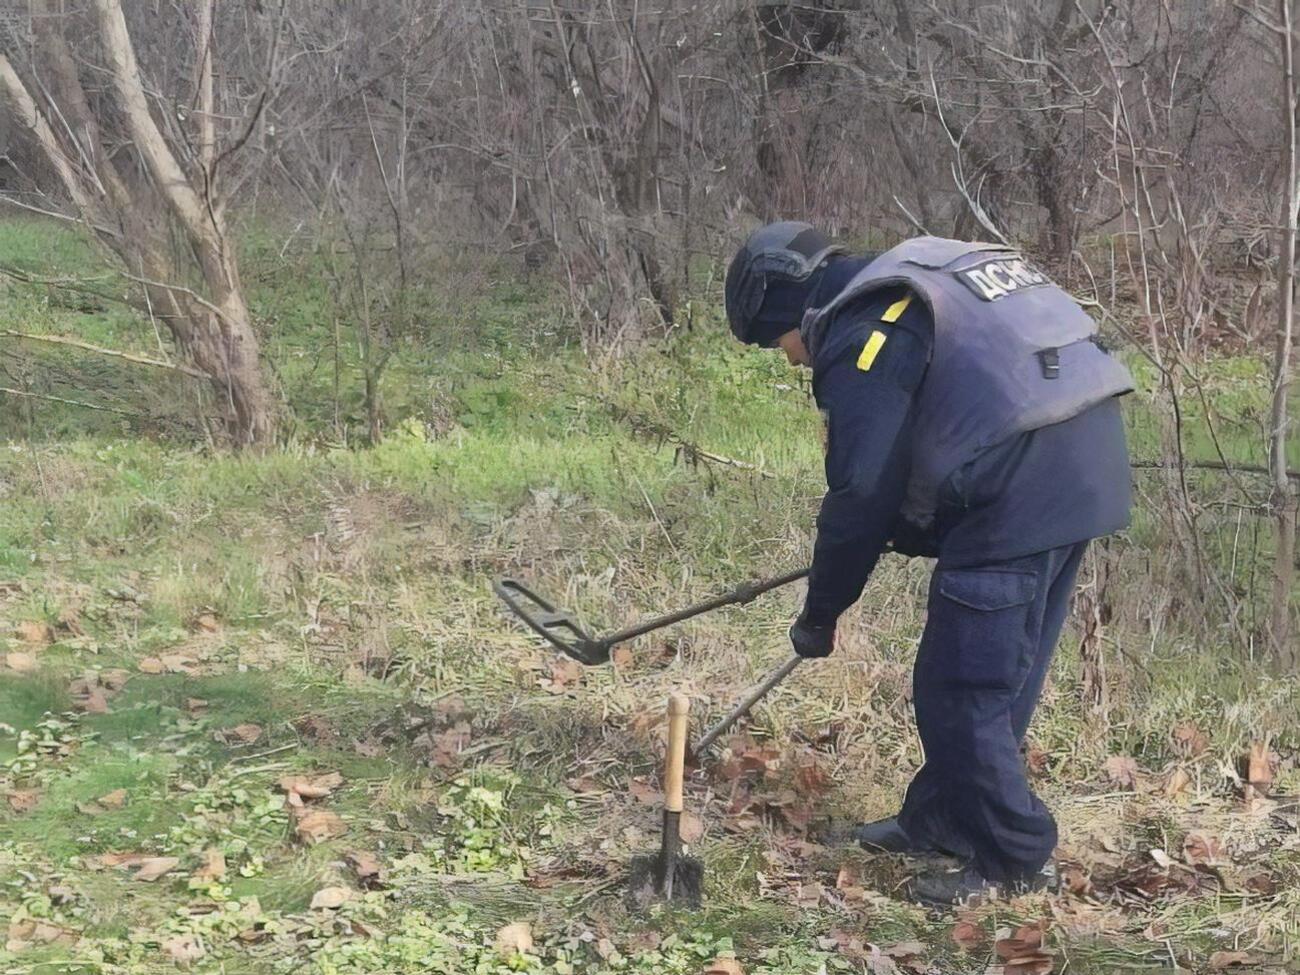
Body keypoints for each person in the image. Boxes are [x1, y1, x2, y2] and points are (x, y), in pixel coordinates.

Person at [723, 222, 1134, 904]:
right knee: (996, 677)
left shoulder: (862, 331)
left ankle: (1015, 860)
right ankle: (945, 817)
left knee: (961, 688)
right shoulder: (922, 276)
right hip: (1082, 468)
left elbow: (859, 490)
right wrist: (907, 527)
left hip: (1019, 490)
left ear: (786, 309)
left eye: (777, 343)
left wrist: (819, 615)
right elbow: (956, 412)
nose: (791, 359)